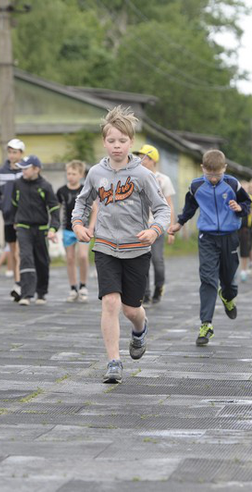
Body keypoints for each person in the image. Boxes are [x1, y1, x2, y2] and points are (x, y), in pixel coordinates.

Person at [72, 106, 171, 384]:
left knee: (131, 309)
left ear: (131, 143)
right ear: (104, 142)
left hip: (137, 250)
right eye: (111, 140)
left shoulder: (142, 175)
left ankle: (140, 329)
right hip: (104, 247)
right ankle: (113, 362)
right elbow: (81, 202)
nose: (117, 146)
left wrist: (155, 230)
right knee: (111, 303)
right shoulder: (95, 173)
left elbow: (163, 210)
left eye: (122, 141)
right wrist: (78, 224)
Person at [168, 149, 251, 347]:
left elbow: (247, 203)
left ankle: (228, 296)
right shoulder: (196, 186)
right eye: (209, 174)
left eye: (217, 174)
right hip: (207, 238)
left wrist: (240, 209)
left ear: (224, 168)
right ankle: (206, 324)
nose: (213, 178)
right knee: (207, 279)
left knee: (229, 280)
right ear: (202, 168)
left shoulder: (232, 184)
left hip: (230, 236)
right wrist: (179, 224)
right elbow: (189, 207)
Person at [11, 155, 60, 305]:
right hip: (23, 228)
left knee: (42, 261)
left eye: (26, 168)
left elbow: (54, 208)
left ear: (36, 169)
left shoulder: (45, 186)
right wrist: (15, 221)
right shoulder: (17, 184)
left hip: (42, 229)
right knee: (25, 258)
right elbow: (14, 203)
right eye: (22, 168)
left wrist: (53, 228)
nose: (23, 171)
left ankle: (41, 293)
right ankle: (26, 294)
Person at [134, 144, 176, 306]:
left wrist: (171, 228)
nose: (142, 160)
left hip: (156, 227)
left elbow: (169, 205)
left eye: (146, 157)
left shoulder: (163, 179)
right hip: (139, 227)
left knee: (157, 260)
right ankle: (145, 294)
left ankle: (159, 286)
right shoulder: (135, 177)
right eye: (140, 157)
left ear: (154, 161)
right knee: (141, 261)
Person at [57, 160, 94, 303]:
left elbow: (95, 208)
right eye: (68, 174)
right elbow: (56, 210)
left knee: (83, 256)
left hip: (83, 229)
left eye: (74, 174)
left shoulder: (86, 189)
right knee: (70, 259)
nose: (70, 176)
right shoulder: (61, 191)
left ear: (80, 175)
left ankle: (83, 286)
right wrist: (53, 227)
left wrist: (91, 226)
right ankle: (73, 288)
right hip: (67, 229)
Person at [0, 139, 25, 299]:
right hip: (7, 218)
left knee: (19, 252)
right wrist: (2, 205)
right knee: (12, 252)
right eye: (10, 152)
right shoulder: (1, 172)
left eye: (15, 152)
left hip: (23, 218)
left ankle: (20, 284)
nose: (12, 155)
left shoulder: (26, 170)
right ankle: (16, 283)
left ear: (21, 154)